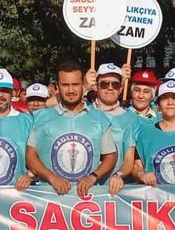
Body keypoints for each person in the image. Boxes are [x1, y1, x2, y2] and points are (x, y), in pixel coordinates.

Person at [27, 61, 123, 196]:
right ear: (57, 87)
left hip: (88, 197)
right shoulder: (42, 117)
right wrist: (52, 178)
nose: (71, 90)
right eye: (65, 85)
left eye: (75, 84)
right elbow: (30, 156)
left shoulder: (100, 118)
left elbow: (110, 156)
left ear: (83, 85)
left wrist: (93, 177)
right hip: (49, 195)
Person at [88, 63, 139, 181]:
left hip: (115, 186)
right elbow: (48, 105)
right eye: (104, 84)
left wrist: (119, 175)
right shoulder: (84, 113)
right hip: (84, 185)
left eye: (115, 84)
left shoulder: (131, 118)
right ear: (96, 86)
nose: (110, 88)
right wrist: (85, 86)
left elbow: (129, 160)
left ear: (121, 88)